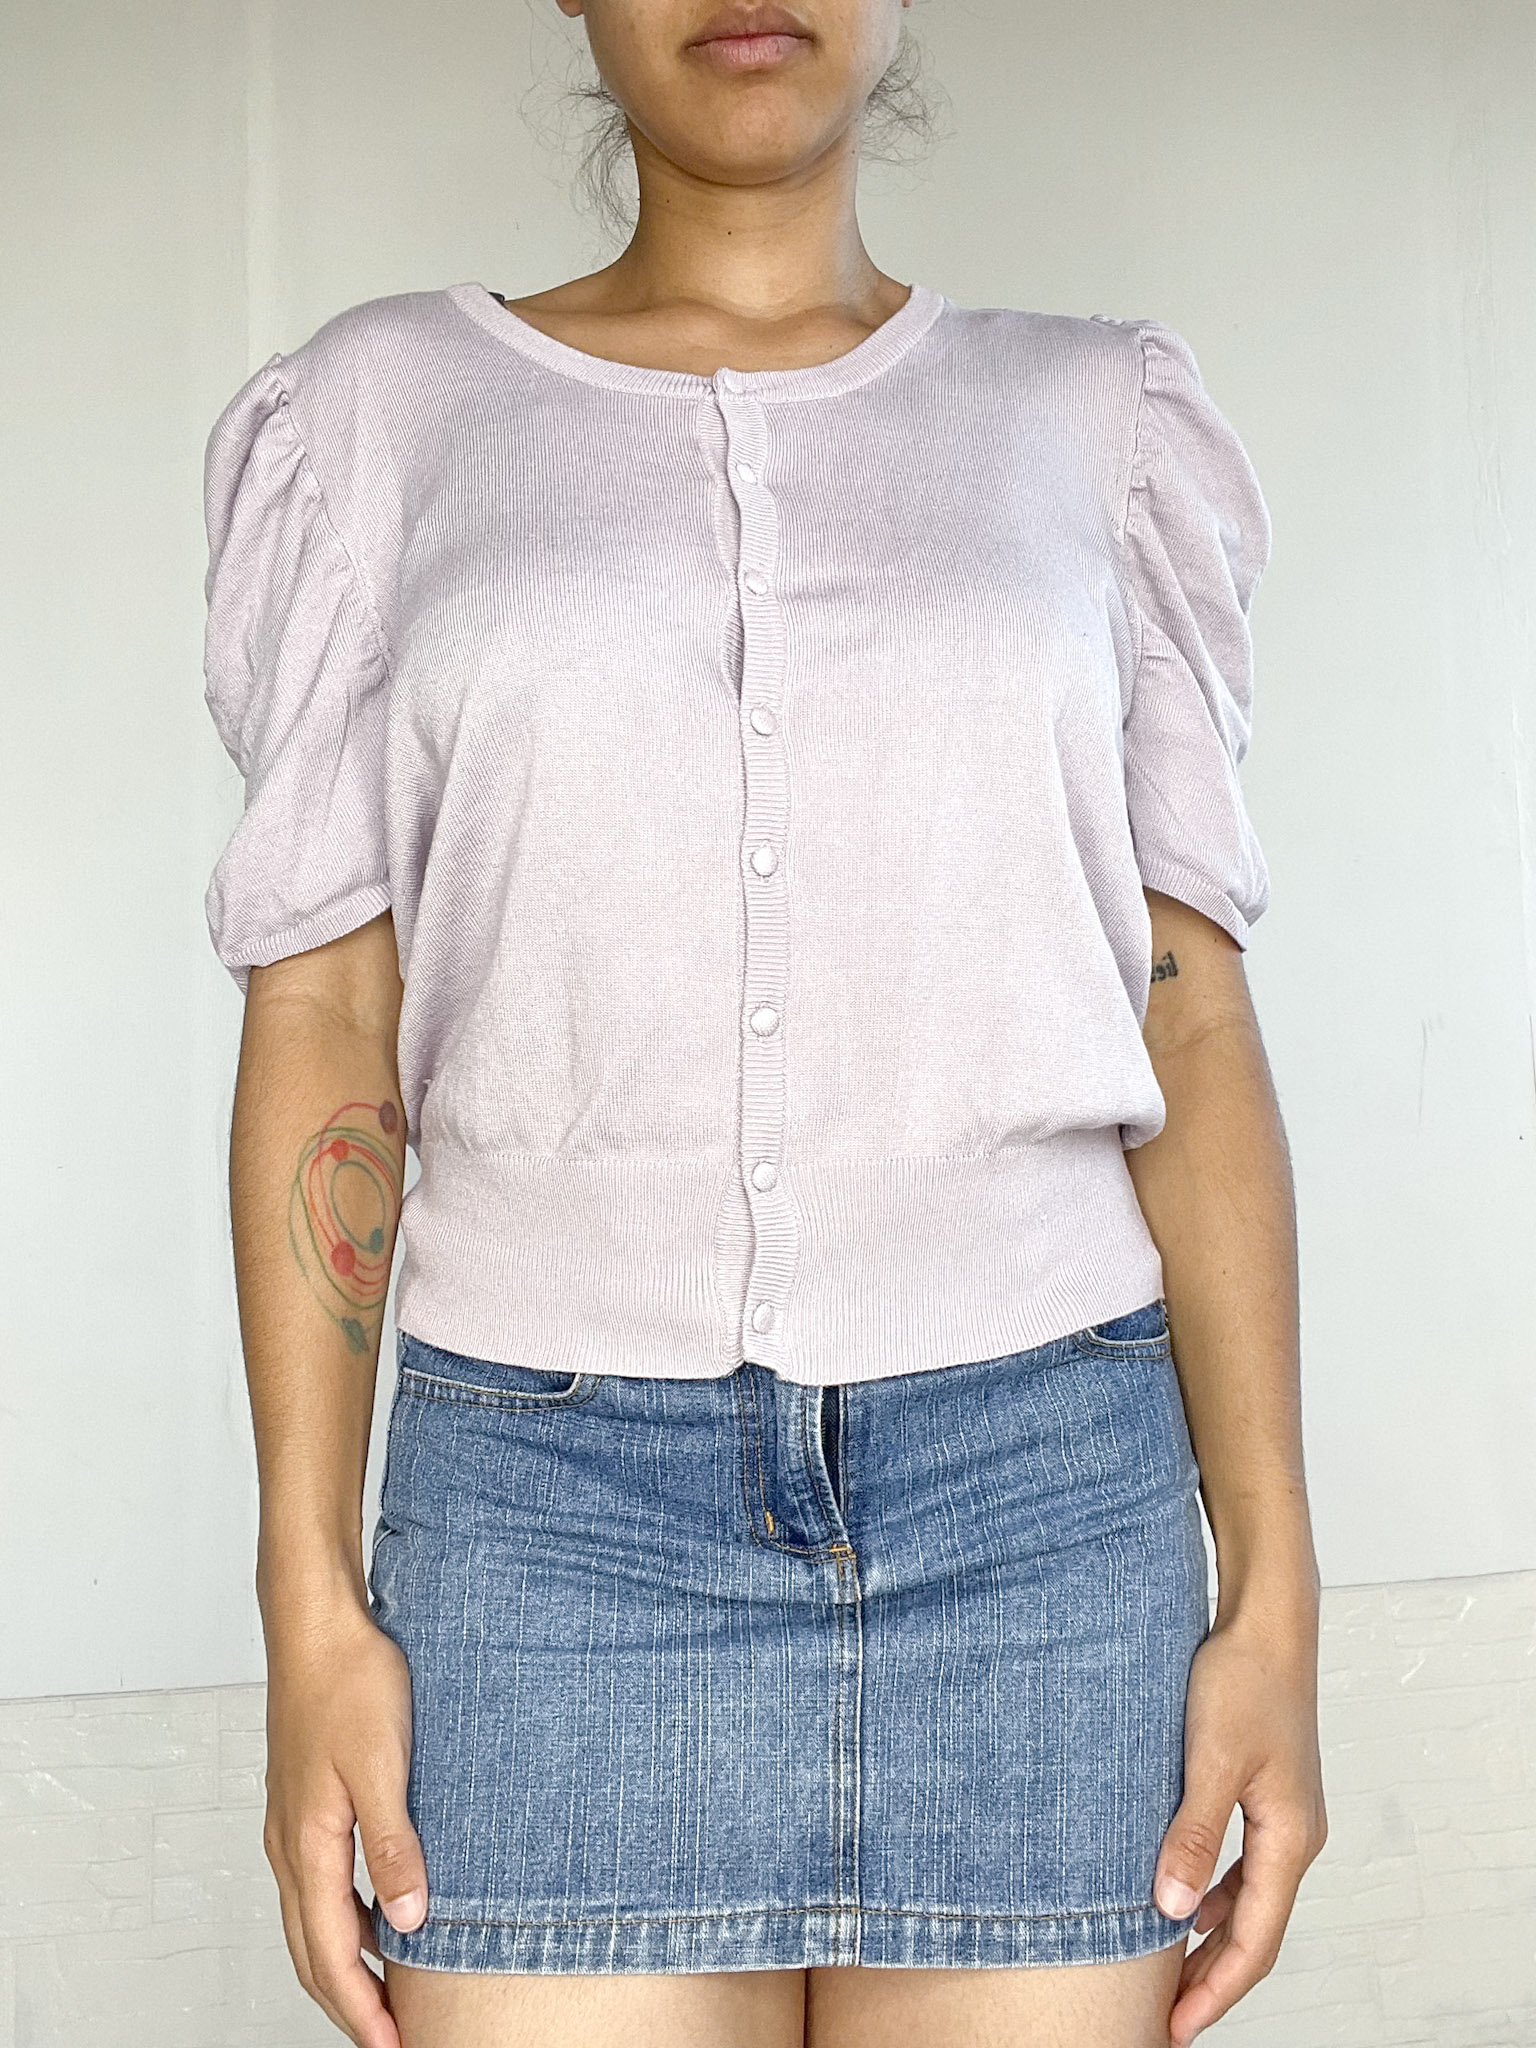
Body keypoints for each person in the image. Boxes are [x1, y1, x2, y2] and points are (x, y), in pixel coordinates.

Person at [199, 2, 1327, 2044]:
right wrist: (309, 1598)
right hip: (543, 1531)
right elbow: (329, 1011)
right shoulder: (380, 419)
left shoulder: (1097, 423)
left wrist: (1275, 1594)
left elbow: (1195, 1026)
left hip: (1046, 1517)